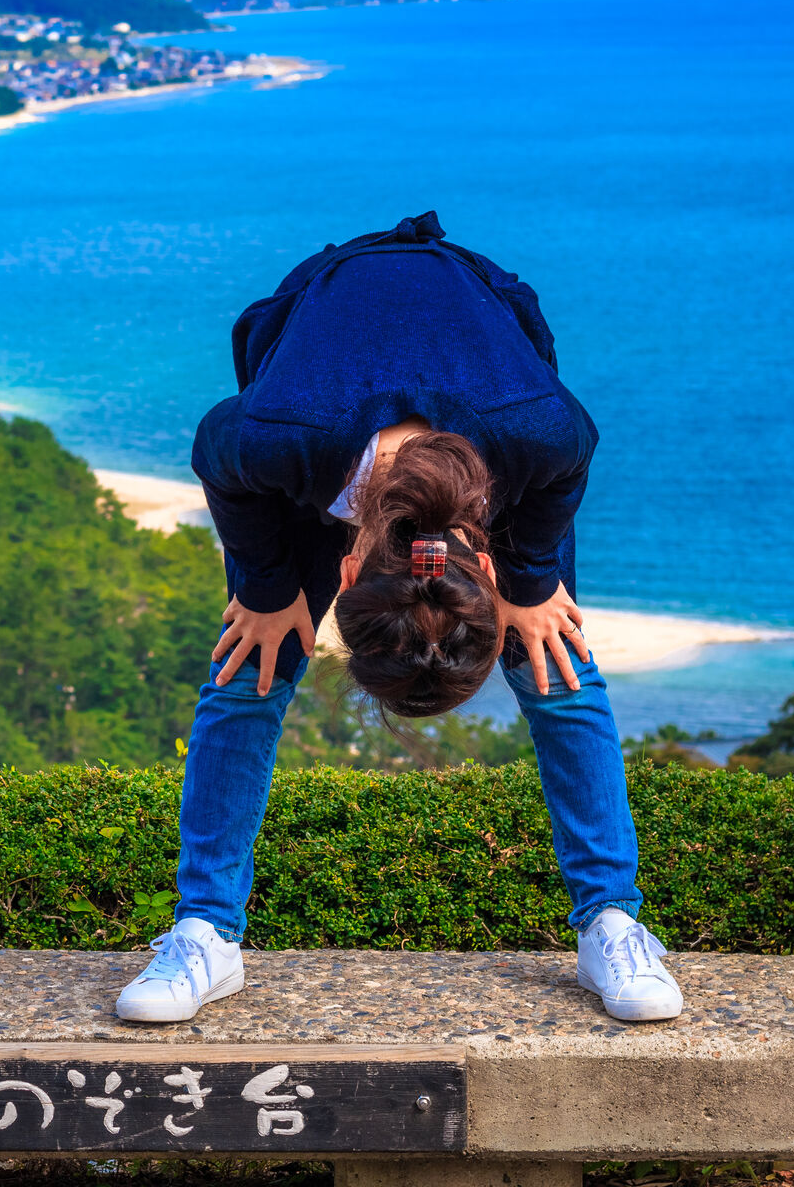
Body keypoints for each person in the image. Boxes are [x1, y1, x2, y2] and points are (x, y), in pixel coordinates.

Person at [114, 211, 683, 1025]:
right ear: (345, 569)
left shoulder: (536, 439)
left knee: (553, 658)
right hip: (327, 385)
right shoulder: (281, 444)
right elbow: (217, 448)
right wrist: (271, 592)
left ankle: (612, 924)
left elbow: (575, 446)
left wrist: (530, 584)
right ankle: (204, 934)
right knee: (250, 666)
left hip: (472, 413)